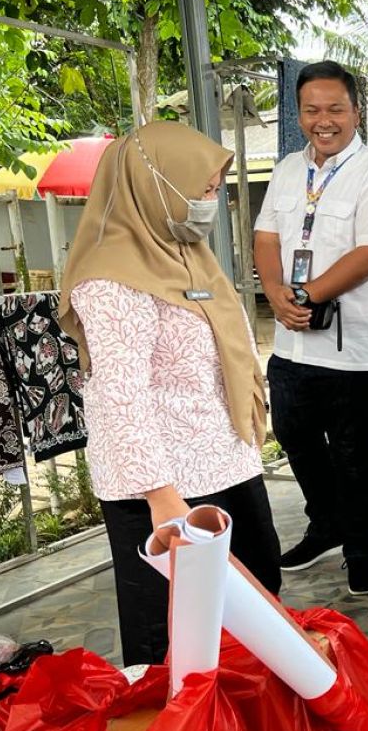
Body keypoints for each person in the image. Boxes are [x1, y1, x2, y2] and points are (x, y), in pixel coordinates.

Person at [59, 120, 282, 666]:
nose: (211, 201)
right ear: (156, 184)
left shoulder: (186, 252)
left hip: (226, 461)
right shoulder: (111, 279)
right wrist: (162, 498)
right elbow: (120, 397)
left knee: (256, 605)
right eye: (203, 190)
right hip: (164, 487)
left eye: (214, 190)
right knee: (173, 638)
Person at [253, 60, 368, 594]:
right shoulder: (286, 170)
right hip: (295, 342)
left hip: (358, 348)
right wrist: (276, 293)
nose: (324, 120)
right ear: (298, 114)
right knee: (294, 435)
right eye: (312, 110)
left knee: (354, 450)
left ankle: (360, 549)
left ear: (355, 112)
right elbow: (266, 237)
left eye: (335, 108)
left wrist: (306, 293)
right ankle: (327, 524)